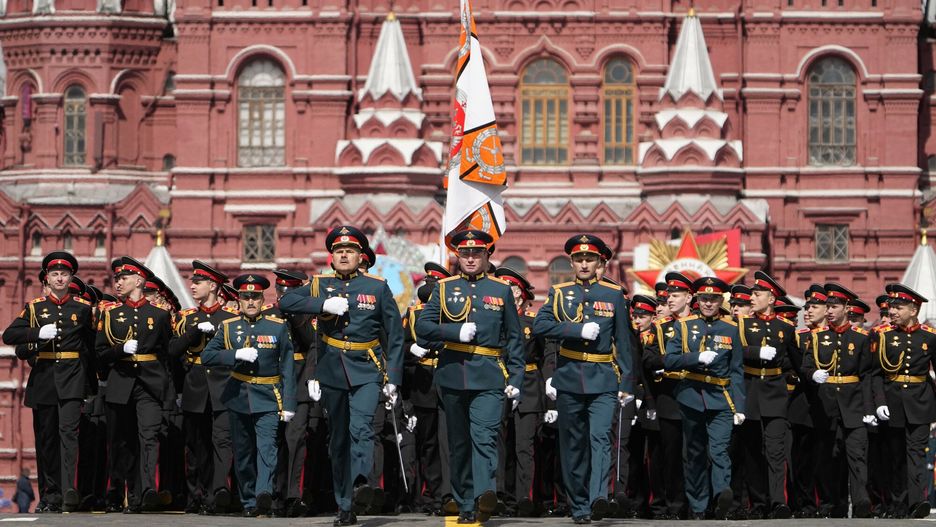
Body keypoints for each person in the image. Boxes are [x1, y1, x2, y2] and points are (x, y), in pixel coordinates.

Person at [280, 225, 404, 526]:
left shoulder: (377, 287)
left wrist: (393, 379)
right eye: (338, 251)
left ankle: (361, 482)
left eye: (349, 250)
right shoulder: (319, 284)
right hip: (332, 369)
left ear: (361, 257)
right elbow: (286, 302)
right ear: (332, 258)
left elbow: (395, 336)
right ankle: (345, 505)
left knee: (362, 427)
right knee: (337, 440)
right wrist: (321, 304)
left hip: (366, 368)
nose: (344, 254)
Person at [416, 229, 525, 524]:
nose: (471, 258)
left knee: (485, 436)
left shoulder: (501, 290)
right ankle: (465, 503)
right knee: (459, 442)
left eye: (477, 253)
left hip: (489, 375)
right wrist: (454, 332)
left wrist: (515, 378)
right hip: (452, 375)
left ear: (487, 256)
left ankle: (484, 494)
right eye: (465, 253)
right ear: (457, 257)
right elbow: (423, 328)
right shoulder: (443, 288)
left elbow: (515, 338)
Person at [532, 234, 634, 524]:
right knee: (573, 444)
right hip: (569, 377)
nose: (585, 263)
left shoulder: (613, 295)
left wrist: (627, 383)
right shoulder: (559, 292)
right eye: (579, 259)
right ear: (572, 263)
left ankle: (598, 497)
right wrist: (575, 331)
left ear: (600, 262)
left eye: (590, 259)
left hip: (603, 378)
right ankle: (579, 506)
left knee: (600, 438)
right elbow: (541, 325)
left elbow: (624, 343)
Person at [2, 252, 94, 513]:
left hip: (73, 380)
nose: (60, 278)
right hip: (44, 379)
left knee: (69, 436)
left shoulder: (84, 309)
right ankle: (49, 496)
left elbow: (91, 349)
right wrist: (36, 333)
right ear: (47, 279)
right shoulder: (34, 308)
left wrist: (91, 387)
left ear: (71, 277)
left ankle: (68, 492)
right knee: (46, 441)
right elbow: (10, 335)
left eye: (64, 274)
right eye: (55, 274)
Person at [203, 273, 296, 517]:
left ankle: (263, 493)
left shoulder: (277, 326)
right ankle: (248, 501)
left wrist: (288, 403)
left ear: (262, 299)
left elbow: (287, 366)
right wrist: (234, 355)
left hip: (268, 395)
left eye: (255, 297)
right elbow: (207, 357)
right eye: (246, 297)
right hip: (238, 396)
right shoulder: (228, 327)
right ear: (239, 300)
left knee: (267, 448)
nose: (251, 302)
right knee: (243, 454)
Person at [95, 257, 173, 513]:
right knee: (122, 441)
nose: (118, 282)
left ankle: (146, 491)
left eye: (123, 278)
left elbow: (167, 353)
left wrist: (169, 389)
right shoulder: (111, 315)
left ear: (139, 280)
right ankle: (120, 493)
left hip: (149, 385)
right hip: (121, 382)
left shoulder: (160, 316)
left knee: (148, 437)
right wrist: (120, 350)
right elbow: (100, 353)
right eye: (117, 278)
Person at [663, 276, 744, 520]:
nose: (709, 303)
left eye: (714, 299)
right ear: (697, 300)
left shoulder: (731, 328)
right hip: (692, 397)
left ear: (721, 301)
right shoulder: (684, 326)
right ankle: (698, 506)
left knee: (719, 450)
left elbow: (737, 369)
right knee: (695, 454)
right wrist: (695, 357)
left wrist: (740, 406)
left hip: (721, 398)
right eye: (705, 298)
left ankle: (721, 497)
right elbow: (669, 359)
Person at [168, 261, 239, 514]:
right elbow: (173, 351)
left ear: (213, 286)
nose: (193, 286)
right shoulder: (188, 318)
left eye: (198, 282)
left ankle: (218, 493)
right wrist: (194, 333)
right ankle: (195, 495)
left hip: (223, 386)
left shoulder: (231, 319)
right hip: (195, 386)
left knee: (222, 442)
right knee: (195, 446)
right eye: (192, 282)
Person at [800, 283, 876, 518]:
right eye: (827, 306)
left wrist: (869, 407)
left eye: (834, 306)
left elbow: (867, 376)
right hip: (826, 405)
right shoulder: (817, 336)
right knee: (830, 457)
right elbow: (806, 365)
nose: (830, 310)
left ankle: (862, 502)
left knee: (857, 454)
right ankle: (836, 504)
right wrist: (812, 374)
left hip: (854, 404)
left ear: (846, 307)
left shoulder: (861, 337)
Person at [732, 271, 795, 519]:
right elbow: (734, 351)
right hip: (749, 392)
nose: (752, 298)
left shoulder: (785, 327)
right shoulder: (742, 324)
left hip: (775, 393)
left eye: (757, 295)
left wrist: (809, 375)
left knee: (776, 450)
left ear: (771, 298)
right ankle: (757, 503)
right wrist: (755, 352)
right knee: (752, 452)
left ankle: (778, 501)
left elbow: (794, 360)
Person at [873, 284, 936, 518]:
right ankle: (897, 503)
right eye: (891, 307)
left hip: (920, 402)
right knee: (895, 455)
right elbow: (876, 374)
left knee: (917, 453)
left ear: (914, 309)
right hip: (892, 402)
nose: (892, 311)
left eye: (898, 307)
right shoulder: (884, 335)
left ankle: (917, 502)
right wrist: (879, 402)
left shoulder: (930, 336)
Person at [265, 270, 317, 518]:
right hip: (272, 382)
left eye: (290, 293)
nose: (284, 296)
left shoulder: (306, 315)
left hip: (299, 381)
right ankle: (272, 494)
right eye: (281, 291)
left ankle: (293, 495)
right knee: (272, 440)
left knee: (295, 441)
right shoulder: (268, 314)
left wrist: (297, 316)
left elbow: (313, 344)